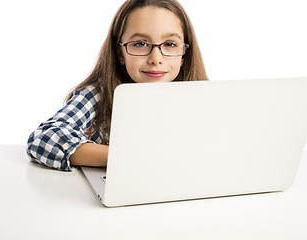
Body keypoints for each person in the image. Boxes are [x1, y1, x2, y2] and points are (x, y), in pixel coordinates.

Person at [26, 0, 208, 171]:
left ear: (184, 53)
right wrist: (130, 158)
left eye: (169, 44)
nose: (156, 59)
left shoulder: (203, 99)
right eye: (140, 44)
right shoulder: (98, 94)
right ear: (120, 52)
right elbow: (45, 138)